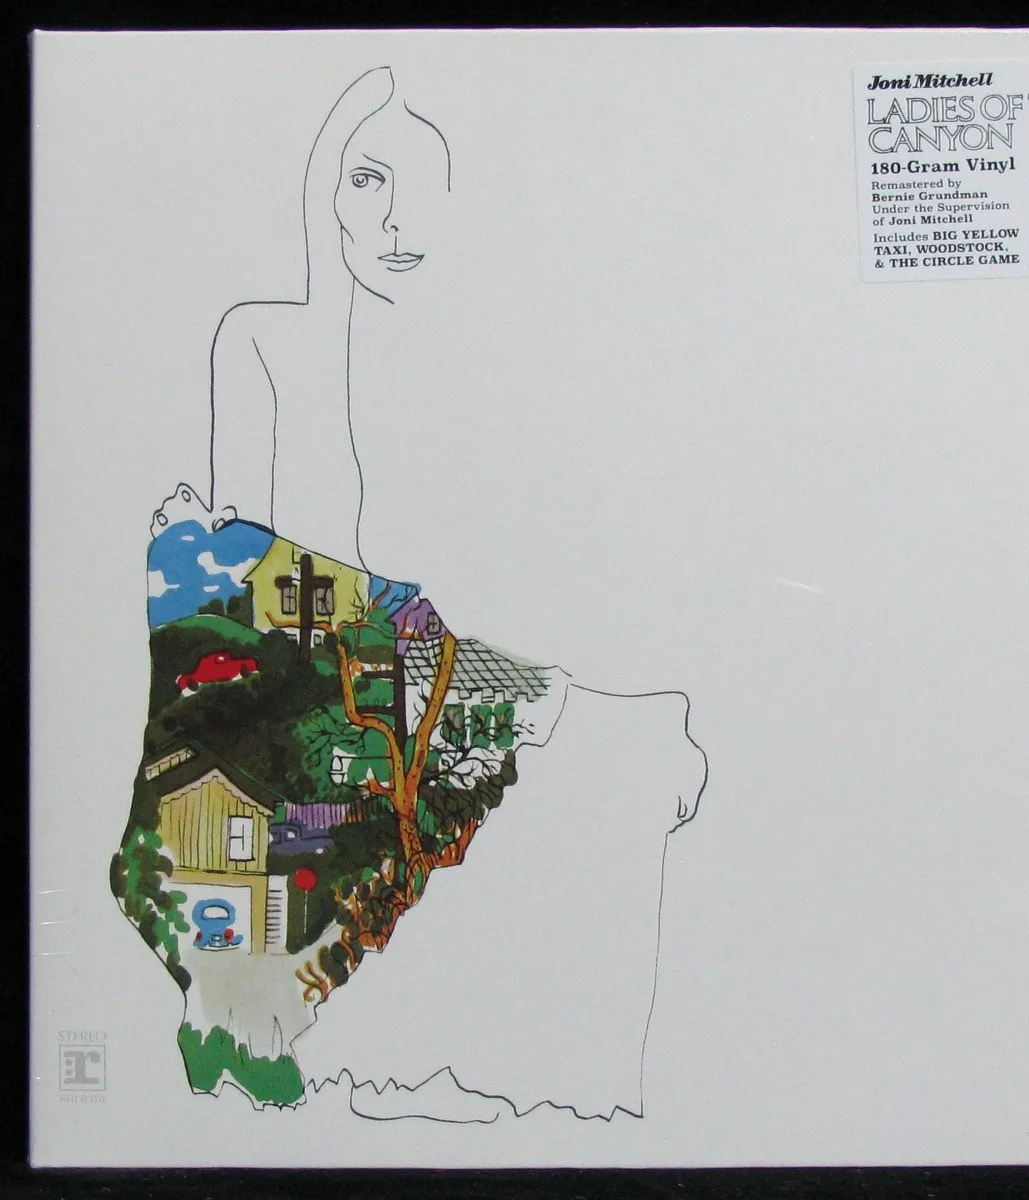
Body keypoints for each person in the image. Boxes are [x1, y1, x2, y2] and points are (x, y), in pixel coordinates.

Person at [149, 67, 705, 1119]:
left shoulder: (510, 372)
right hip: (322, 708)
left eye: (429, 183)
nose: (397, 218)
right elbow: (246, 595)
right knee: (589, 737)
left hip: (446, 705)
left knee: (629, 746)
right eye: (368, 178)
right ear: (325, 191)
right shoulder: (265, 341)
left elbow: (556, 585)